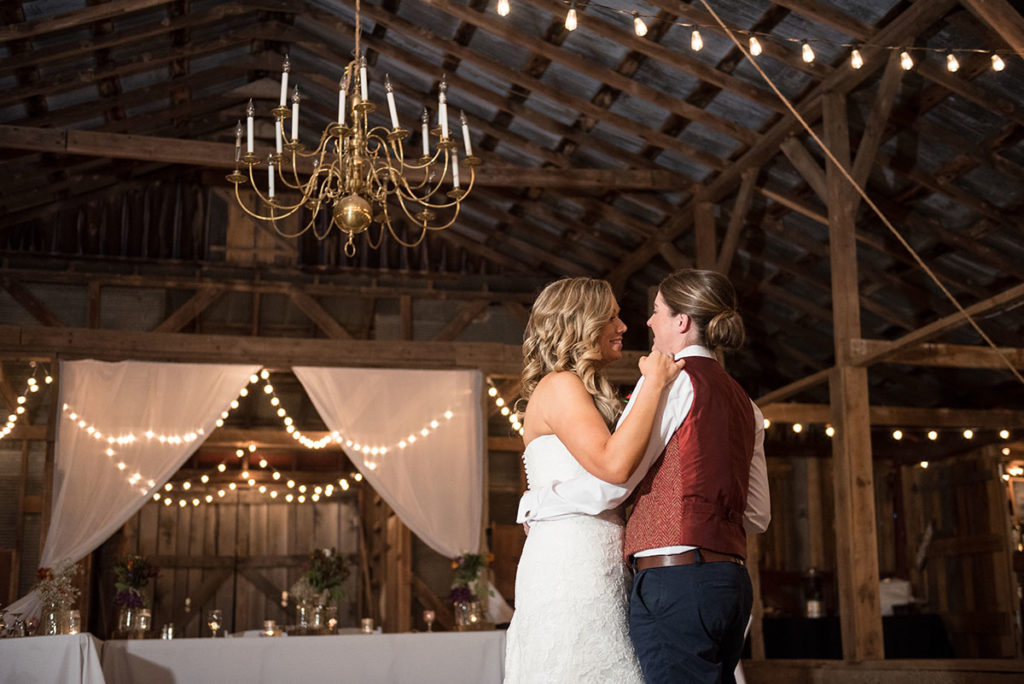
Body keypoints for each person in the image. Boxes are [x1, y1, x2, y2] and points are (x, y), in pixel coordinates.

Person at [517, 269, 770, 684]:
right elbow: (757, 516)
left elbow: (615, 481)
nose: (640, 323)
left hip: (669, 578)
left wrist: (538, 501)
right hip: (731, 583)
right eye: (615, 316)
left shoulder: (665, 385)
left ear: (682, 321)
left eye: (654, 312)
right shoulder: (746, 403)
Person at [503, 277, 684, 684]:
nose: (623, 326)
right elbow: (614, 466)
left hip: (596, 555)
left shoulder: (580, 391)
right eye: (612, 317)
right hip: (571, 563)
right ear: (582, 323)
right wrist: (654, 383)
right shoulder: (560, 385)